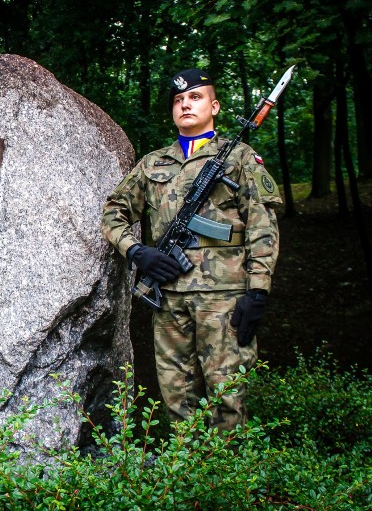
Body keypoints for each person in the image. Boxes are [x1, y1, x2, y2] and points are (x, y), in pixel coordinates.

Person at [100, 68, 281, 431]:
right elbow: (113, 212)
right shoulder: (154, 163)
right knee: (176, 396)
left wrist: (258, 290)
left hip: (224, 298)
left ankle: (228, 482)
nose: (185, 104)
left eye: (195, 97)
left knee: (228, 394)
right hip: (168, 297)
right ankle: (188, 480)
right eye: (179, 100)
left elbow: (263, 226)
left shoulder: (240, 158)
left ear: (214, 106)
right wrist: (137, 251)